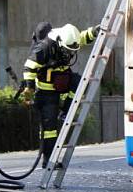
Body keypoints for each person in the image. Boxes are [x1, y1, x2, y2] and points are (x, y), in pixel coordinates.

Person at [22, 23, 99, 167]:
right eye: (67, 50)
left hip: (61, 82)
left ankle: (65, 112)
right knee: (49, 130)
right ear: (59, 42)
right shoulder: (44, 47)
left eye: (72, 51)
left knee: (79, 82)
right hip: (46, 92)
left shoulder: (68, 39)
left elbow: (81, 38)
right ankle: (48, 160)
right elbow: (29, 67)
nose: (69, 54)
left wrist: (94, 31)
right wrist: (29, 89)